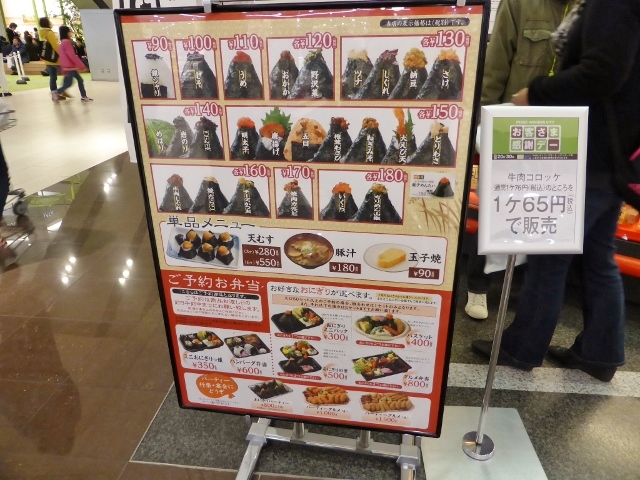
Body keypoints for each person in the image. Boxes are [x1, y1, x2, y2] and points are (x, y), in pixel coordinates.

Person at [471, 0, 640, 382]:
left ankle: (521, 348)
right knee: (598, 257)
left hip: (586, 150)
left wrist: (536, 93)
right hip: (613, 154)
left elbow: (601, 72)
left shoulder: (613, 4)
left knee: (550, 256)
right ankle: (599, 353)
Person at [465, 0, 574, 320]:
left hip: (565, 133)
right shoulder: (519, 4)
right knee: (498, 207)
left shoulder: (588, 9)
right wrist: (482, 125)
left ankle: (523, 293)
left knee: (545, 214)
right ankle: (478, 286)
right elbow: (495, 67)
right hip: (512, 127)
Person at [53, 26, 92, 103]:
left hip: (69, 67)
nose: (71, 33)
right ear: (66, 33)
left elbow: (62, 56)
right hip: (69, 68)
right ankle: (56, 92)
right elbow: (72, 55)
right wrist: (81, 66)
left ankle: (84, 96)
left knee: (79, 80)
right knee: (68, 84)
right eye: (69, 31)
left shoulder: (62, 43)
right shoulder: (66, 42)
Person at [39, 17, 63, 101]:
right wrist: (62, 54)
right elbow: (55, 46)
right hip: (55, 59)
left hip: (47, 59)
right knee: (67, 74)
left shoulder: (41, 33)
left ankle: (54, 94)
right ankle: (61, 91)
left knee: (52, 77)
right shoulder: (49, 33)